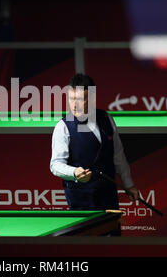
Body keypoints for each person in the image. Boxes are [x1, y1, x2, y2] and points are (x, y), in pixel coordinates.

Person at [50, 74, 140, 234]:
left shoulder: (107, 119)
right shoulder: (63, 127)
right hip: (81, 202)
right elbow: (55, 165)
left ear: (92, 98)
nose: (74, 105)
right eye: (71, 99)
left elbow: (118, 156)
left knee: (112, 247)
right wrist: (74, 172)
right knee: (85, 249)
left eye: (80, 99)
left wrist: (129, 184)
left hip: (108, 197)